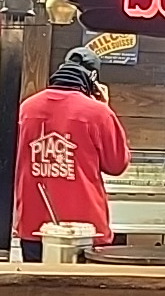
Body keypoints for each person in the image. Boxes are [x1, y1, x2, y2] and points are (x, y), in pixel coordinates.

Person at [13, 46, 129, 261]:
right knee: (81, 284)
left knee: (36, 282)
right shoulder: (98, 113)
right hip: (86, 230)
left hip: (34, 225)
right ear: (93, 79)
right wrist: (105, 107)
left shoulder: (26, 108)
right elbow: (116, 164)